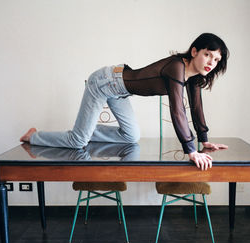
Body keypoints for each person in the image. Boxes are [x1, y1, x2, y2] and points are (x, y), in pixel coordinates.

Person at [20, 33, 229, 170]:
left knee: (131, 136)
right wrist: (191, 150)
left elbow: (195, 108)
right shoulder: (177, 67)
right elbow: (177, 111)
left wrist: (204, 139)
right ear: (194, 52)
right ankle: (34, 136)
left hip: (119, 90)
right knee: (78, 142)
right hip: (104, 82)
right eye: (207, 54)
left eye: (216, 60)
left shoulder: (193, 77)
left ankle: (85, 128)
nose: (211, 62)